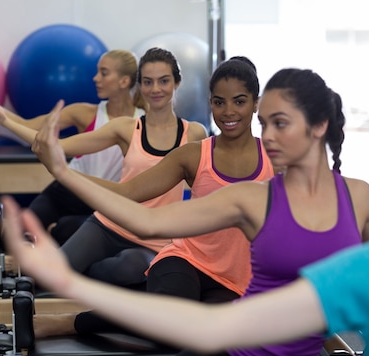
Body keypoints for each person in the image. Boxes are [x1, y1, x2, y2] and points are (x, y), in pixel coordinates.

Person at [3, 67, 369, 356]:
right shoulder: (254, 198)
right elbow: (147, 219)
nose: (268, 136)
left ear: (319, 124)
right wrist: (63, 172)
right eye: (265, 124)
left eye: (280, 124)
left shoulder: (359, 198)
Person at [34, 56, 277, 338]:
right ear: (210, 102)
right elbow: (128, 193)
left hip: (237, 280)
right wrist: (62, 171)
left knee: (203, 335)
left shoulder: (275, 159)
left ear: (256, 103)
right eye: (219, 102)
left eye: (239, 101)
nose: (228, 111)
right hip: (186, 261)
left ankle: (131, 300)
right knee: (170, 325)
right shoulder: (195, 153)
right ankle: (69, 323)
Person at [0, 47, 207, 288]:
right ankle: (72, 271)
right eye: (148, 82)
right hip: (109, 224)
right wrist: (4, 118)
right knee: (49, 277)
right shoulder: (126, 128)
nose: (155, 89)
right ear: (139, 85)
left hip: (154, 238)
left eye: (163, 81)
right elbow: (59, 146)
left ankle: (85, 273)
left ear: (177, 82)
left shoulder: (194, 133)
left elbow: (202, 194)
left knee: (131, 269)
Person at [0, 50, 146, 244]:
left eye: (104, 73)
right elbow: (29, 126)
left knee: (65, 231)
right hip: (69, 189)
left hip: (103, 199)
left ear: (124, 81)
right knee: (21, 230)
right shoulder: (84, 113)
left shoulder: (141, 123)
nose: (96, 78)